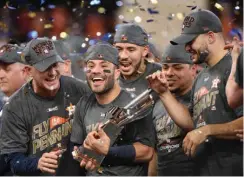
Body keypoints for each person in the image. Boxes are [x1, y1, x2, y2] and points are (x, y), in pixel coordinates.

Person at [147, 9, 243, 175]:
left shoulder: (235, 65)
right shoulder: (202, 76)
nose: (187, 48)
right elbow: (193, 123)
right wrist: (164, 93)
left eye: (191, 41)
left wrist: (206, 131)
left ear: (211, 37)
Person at [0, 38, 90, 176]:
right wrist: (36, 164)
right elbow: (13, 159)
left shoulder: (79, 90)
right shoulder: (14, 107)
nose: (53, 72)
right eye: (45, 67)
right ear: (28, 71)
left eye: (55, 64)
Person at [70, 42, 155, 176]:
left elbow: (147, 152)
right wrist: (84, 152)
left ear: (117, 73)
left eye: (104, 66)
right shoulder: (84, 103)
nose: (96, 70)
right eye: (90, 66)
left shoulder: (134, 104)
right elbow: (75, 148)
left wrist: (107, 151)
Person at [149, 44, 198, 176]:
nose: (169, 73)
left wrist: (164, 93)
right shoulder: (158, 103)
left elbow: (192, 125)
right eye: (165, 67)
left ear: (193, 69)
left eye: (177, 67)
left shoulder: (200, 96)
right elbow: (155, 152)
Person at [0, 44, 29, 175]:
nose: (0, 75)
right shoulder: (6, 106)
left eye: (7, 69)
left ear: (26, 71)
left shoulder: (31, 106)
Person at [113, 23, 161, 97]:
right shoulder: (107, 77)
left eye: (131, 49)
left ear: (145, 51)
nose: (123, 56)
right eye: (118, 49)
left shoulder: (162, 74)